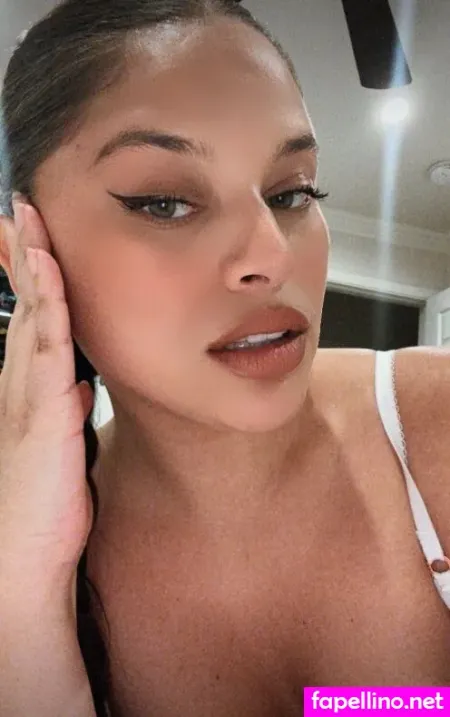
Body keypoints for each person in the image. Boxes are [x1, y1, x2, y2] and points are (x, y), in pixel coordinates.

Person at [0, 1, 449, 715]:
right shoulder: (24, 554)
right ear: (26, 255)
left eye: (292, 192)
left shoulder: (434, 426)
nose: (272, 255)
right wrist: (23, 588)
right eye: (165, 203)